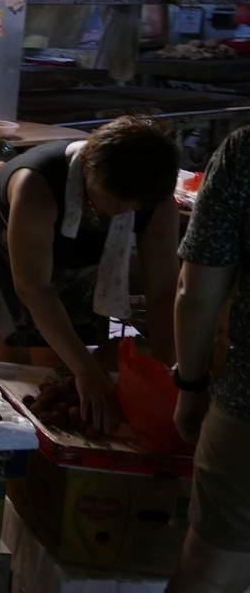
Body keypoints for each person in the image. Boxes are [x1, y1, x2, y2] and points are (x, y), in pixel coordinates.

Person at [0, 116, 181, 434]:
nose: (124, 210)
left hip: (82, 259)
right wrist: (88, 373)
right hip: (0, 244)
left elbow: (162, 293)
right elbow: (33, 287)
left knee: (64, 367)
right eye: (115, 200)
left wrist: (167, 374)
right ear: (88, 168)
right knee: (16, 363)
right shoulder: (36, 183)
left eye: (133, 204)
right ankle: (18, 460)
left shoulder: (156, 202)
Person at [167, 127, 250, 593]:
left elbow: (195, 292)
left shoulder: (243, 152)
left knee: (211, 572)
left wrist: (191, 386)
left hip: (247, 405)